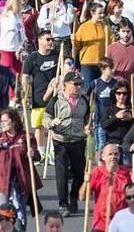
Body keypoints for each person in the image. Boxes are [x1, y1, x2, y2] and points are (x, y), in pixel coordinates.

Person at [0, 108, 40, 227]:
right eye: (1, 121)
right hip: (2, 181)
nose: (2, 123)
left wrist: (32, 153)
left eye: (5, 121)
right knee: (5, 214)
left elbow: (37, 155)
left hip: (22, 181)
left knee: (20, 212)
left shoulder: (26, 137)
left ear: (14, 121)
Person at [45, 71, 90, 215]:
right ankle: (63, 203)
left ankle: (73, 197)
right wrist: (52, 122)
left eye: (80, 85)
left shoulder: (84, 100)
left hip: (78, 140)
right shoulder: (56, 100)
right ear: (65, 84)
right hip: (61, 141)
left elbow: (88, 117)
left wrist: (89, 126)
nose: (78, 87)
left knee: (79, 174)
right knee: (62, 174)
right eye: (75, 84)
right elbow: (45, 119)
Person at [86, 144, 134, 232]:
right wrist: (86, 182)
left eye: (116, 154)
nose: (113, 157)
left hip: (121, 224)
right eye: (110, 154)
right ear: (103, 157)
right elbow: (83, 197)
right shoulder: (97, 172)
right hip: (100, 224)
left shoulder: (127, 174)